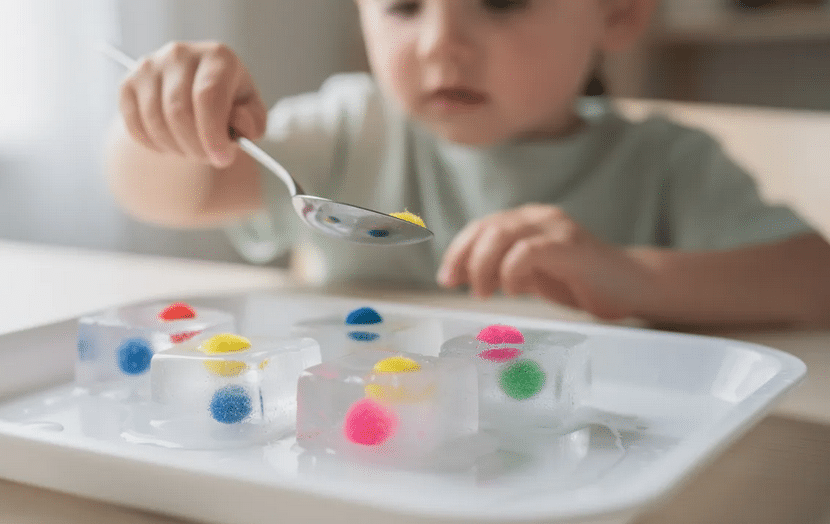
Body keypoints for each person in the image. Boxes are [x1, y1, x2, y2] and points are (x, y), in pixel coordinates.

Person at [105, 0, 830, 328]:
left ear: (618, 12)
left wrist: (633, 275)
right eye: (404, 6)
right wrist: (166, 121)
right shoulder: (349, 130)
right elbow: (176, 195)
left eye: (502, 1)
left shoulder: (665, 161)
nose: (440, 44)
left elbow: (812, 279)